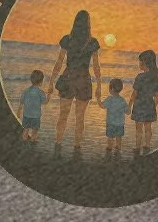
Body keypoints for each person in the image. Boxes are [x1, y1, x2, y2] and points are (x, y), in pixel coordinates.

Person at [49, 10, 104, 157]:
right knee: (80, 117)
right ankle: (77, 149)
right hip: (83, 80)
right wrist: (99, 85)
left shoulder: (67, 39)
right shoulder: (92, 42)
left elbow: (59, 62)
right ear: (88, 24)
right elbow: (96, 66)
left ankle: (58, 145)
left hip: (68, 78)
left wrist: (51, 81)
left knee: (63, 115)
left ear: (75, 22)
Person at [130, 50, 158, 155]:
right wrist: (154, 106)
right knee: (148, 127)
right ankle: (147, 145)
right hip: (149, 105)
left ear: (144, 62)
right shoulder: (154, 78)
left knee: (138, 129)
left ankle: (137, 147)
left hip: (139, 106)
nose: (139, 64)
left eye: (139, 62)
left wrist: (129, 105)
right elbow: (157, 95)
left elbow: (134, 93)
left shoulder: (140, 77)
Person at [19, 69, 46, 144]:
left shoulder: (26, 91)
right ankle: (33, 141)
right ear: (41, 82)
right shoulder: (41, 92)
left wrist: (19, 110)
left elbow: (21, 101)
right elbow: (44, 102)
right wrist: (49, 95)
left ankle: (24, 141)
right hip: (36, 116)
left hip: (26, 115)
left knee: (26, 129)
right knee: (35, 130)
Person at [103, 79, 127, 158]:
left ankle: (110, 147)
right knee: (119, 136)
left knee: (110, 136)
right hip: (120, 123)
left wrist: (98, 99)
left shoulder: (110, 99)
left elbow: (102, 106)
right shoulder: (122, 100)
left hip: (111, 123)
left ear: (112, 89)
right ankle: (118, 146)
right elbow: (127, 112)